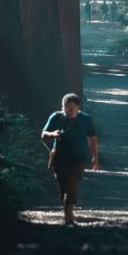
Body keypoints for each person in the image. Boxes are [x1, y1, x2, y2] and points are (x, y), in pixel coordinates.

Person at [41, 93, 100, 225]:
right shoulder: (56, 117)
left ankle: (68, 217)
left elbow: (93, 139)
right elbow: (43, 134)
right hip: (59, 159)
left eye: (71, 107)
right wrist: (53, 134)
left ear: (78, 106)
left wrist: (95, 158)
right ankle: (68, 212)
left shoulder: (85, 120)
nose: (68, 110)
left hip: (78, 160)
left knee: (71, 187)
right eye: (65, 107)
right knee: (63, 187)